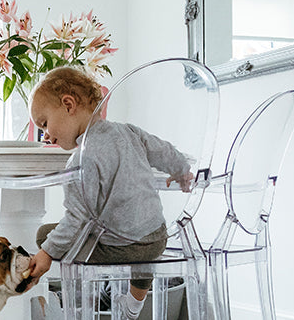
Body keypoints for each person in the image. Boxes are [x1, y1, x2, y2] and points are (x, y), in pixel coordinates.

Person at [27, 66, 194, 320]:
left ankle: (91, 301)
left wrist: (47, 252)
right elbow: (163, 151)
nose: (46, 135)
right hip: (157, 237)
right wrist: (181, 169)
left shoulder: (81, 160)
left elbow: (76, 219)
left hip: (123, 246)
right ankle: (133, 306)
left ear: (68, 104)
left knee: (44, 235)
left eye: (45, 124)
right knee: (139, 240)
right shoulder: (128, 131)